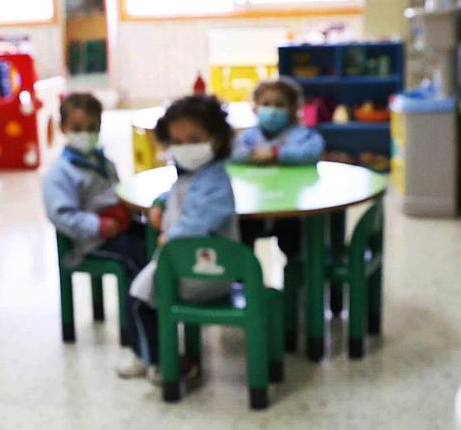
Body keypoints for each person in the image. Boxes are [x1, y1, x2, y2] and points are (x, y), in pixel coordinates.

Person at [129, 94, 239, 382]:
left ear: (215, 139)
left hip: (204, 270)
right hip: (187, 263)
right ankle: (152, 355)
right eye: (177, 141)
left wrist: (171, 237)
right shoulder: (195, 174)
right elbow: (180, 192)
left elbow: (196, 220)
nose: (184, 148)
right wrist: (162, 202)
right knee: (141, 297)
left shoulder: (214, 180)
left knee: (141, 300)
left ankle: (162, 361)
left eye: (194, 138)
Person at [41, 92, 150, 377]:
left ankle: (155, 325)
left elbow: (118, 192)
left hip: (117, 228)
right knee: (136, 263)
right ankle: (136, 343)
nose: (85, 134)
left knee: (154, 245)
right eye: (77, 128)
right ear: (63, 128)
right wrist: (98, 226)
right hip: (91, 241)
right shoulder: (60, 173)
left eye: (92, 128)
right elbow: (61, 215)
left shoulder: (102, 161)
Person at [231, 78, 324, 257]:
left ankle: (297, 276)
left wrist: (276, 153)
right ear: (255, 107)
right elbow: (231, 153)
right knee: (242, 233)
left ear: (293, 110)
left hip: (290, 205)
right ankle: (244, 277)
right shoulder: (250, 136)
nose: (272, 110)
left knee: (293, 242)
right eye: (266, 104)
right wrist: (251, 154)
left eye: (280, 105)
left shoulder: (302, 135)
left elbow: (313, 151)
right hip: (255, 205)